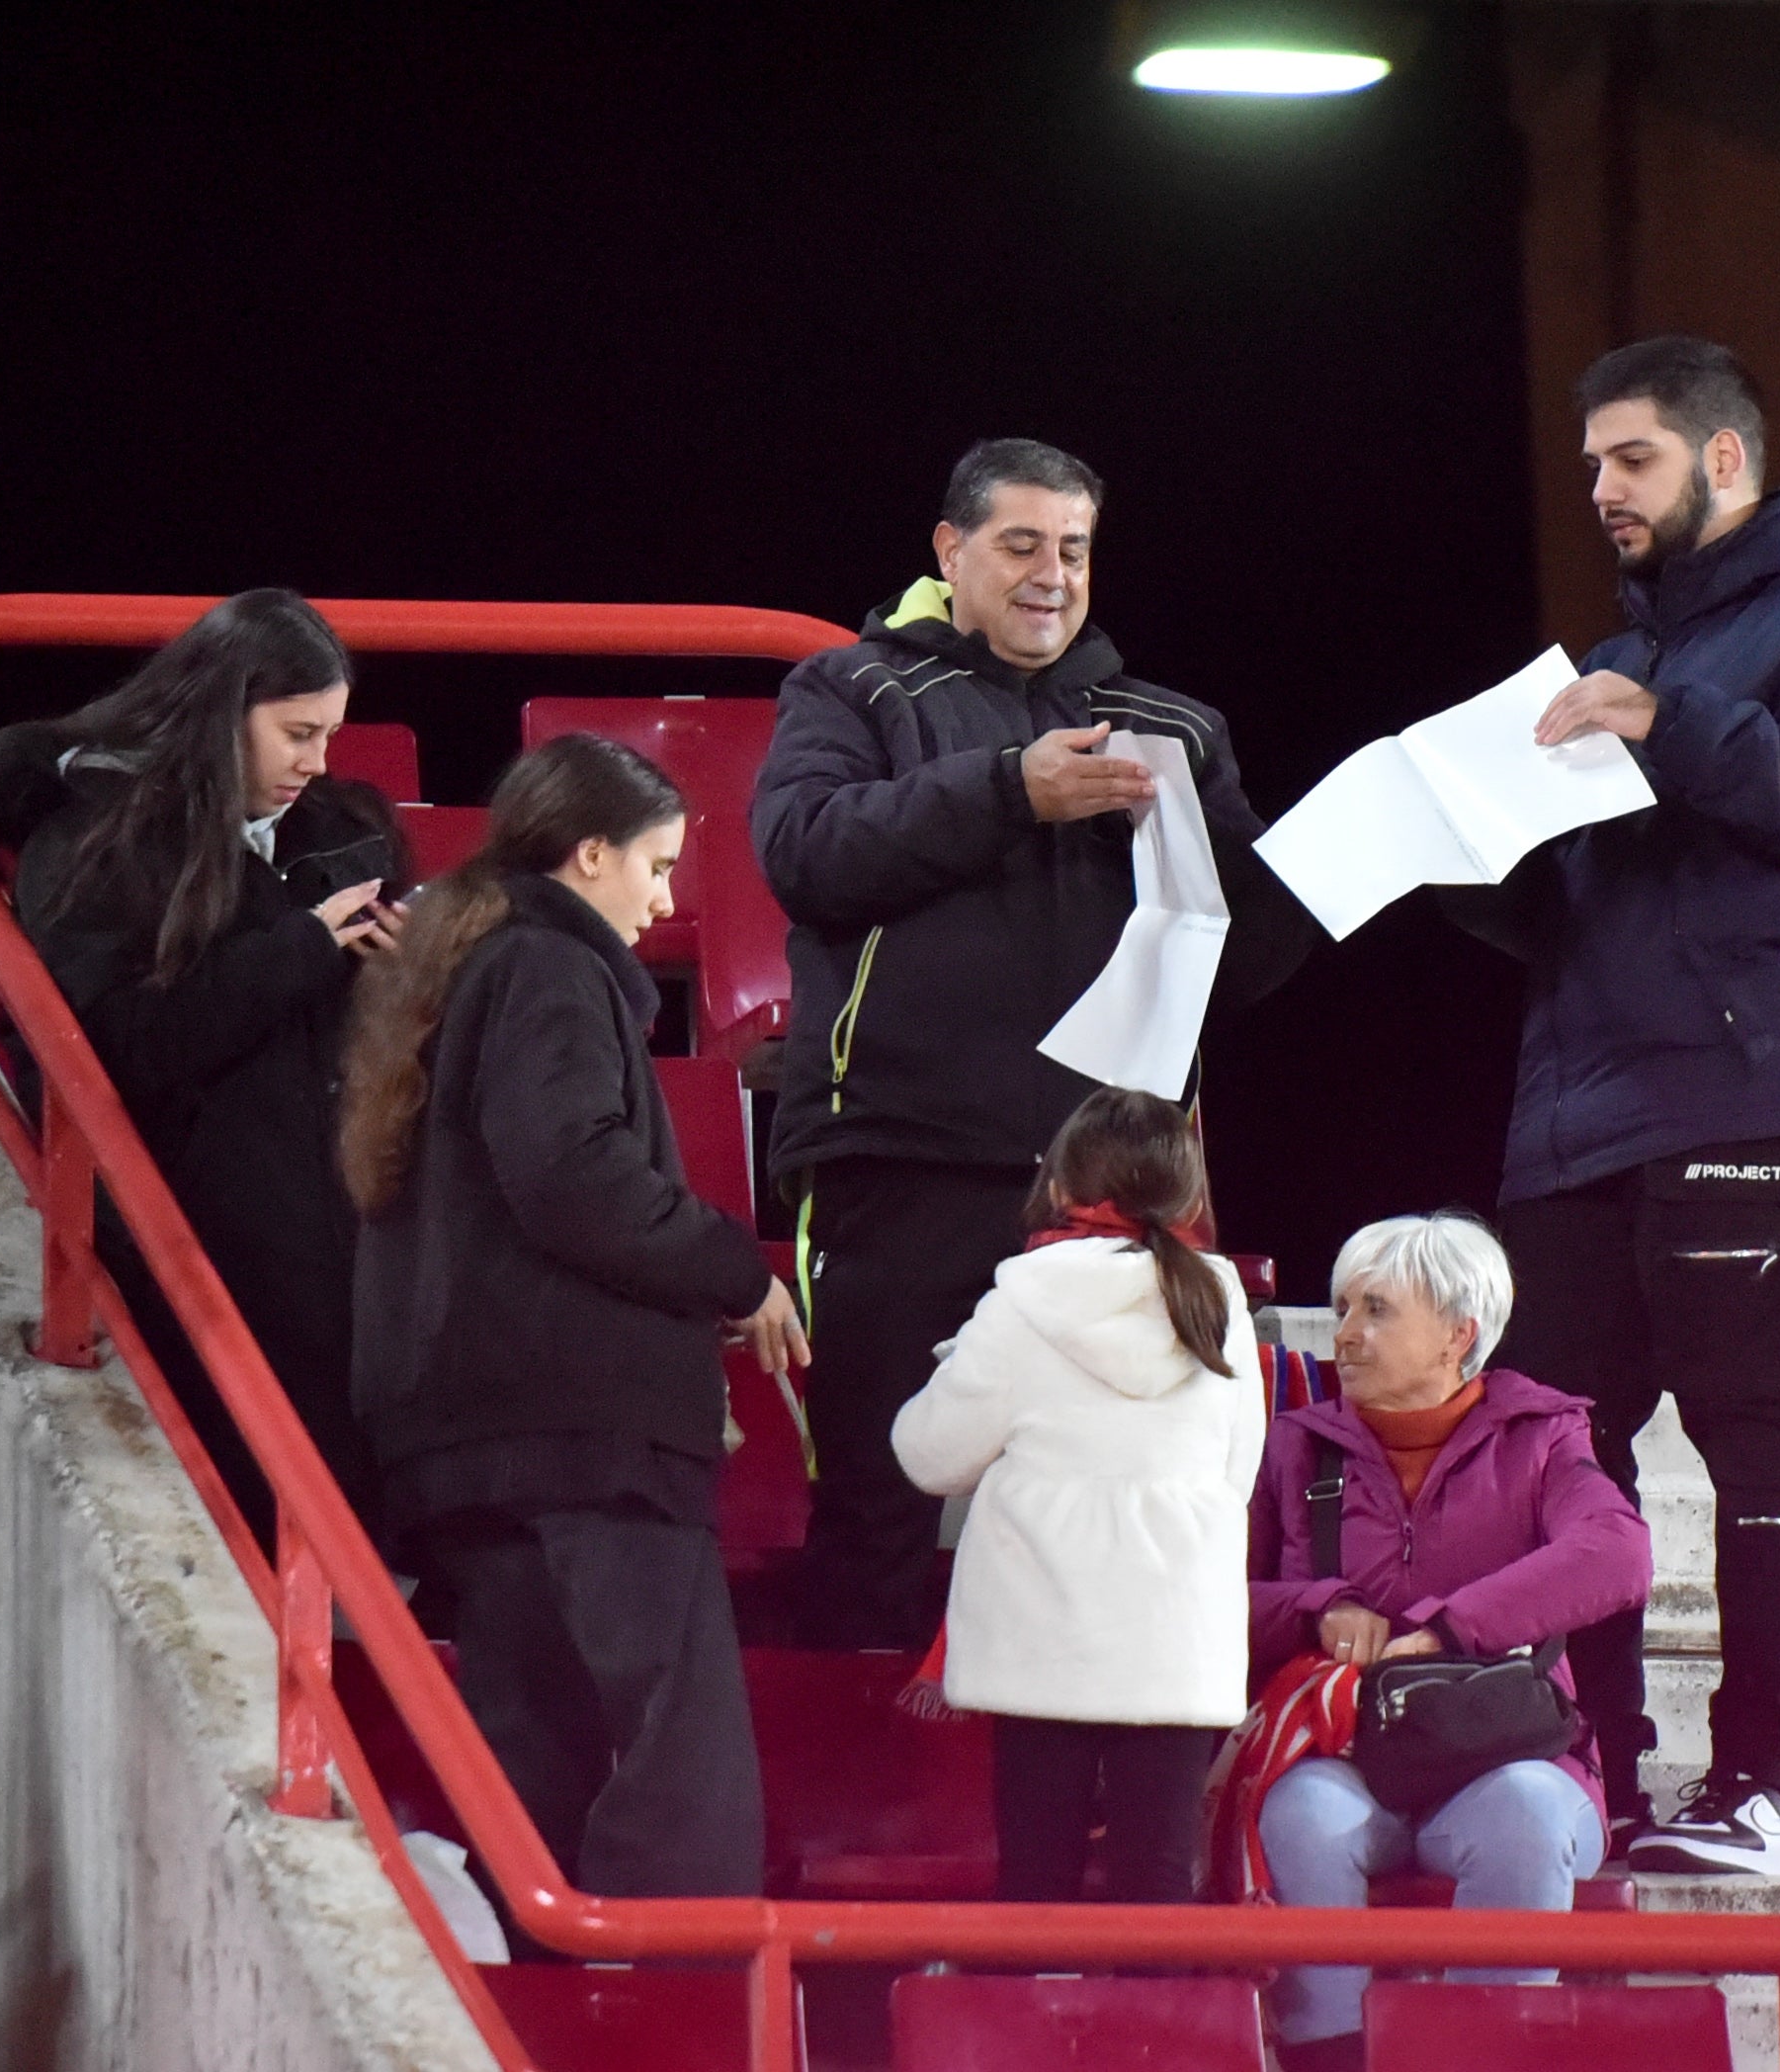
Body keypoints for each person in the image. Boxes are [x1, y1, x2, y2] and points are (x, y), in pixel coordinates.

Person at [1455, 335, 1780, 1877]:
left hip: (1756, 1083)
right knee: (1549, 1453)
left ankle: (1761, 1793)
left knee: (1759, 1434)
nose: (1599, 488)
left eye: (1631, 458)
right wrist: (1465, 863)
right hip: (1585, 1109)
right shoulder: (1633, 656)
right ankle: (1593, 1766)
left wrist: (1667, 728)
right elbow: (1607, 894)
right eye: (1591, 463)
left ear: (1722, 462)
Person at [753, 436, 1314, 1651]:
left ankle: (1092, 1797)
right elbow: (803, 852)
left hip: (1116, 1187)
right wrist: (1011, 789)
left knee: (1123, 1508)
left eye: (1074, 548)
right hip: (901, 1158)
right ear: (949, 551)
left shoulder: (1172, 725)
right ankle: (868, 1791)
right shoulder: (850, 690)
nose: (1051, 573)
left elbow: (1234, 960)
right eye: (1020, 545)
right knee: (880, 1493)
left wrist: (1327, 879)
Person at [339, 734, 807, 1897]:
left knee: (530, 1749)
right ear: (587, 852)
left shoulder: (462, 965)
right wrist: (733, 1272)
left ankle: (548, 2001)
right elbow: (570, 1171)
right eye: (651, 866)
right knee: (676, 1749)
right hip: (585, 1434)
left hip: (472, 1435)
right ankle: (675, 2010)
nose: (662, 898)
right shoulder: (551, 966)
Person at [0, 588, 404, 1544]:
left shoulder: (334, 832)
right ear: (218, 711)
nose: (316, 763)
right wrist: (304, 949)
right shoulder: (93, 841)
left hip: (332, 1228)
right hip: (202, 1244)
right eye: (296, 732)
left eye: (327, 734)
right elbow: (118, 1047)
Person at [1247, 1214, 1650, 2071]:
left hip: (1507, 1760)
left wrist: (1450, 1630)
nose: (1345, 1333)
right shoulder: (1294, 1446)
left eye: (1377, 1311)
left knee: (1529, 1816)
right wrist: (1315, 1608)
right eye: (1342, 1306)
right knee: (1304, 1815)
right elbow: (1212, 1598)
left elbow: (1618, 1553)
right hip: (1348, 1755)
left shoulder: (1544, 1436)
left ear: (1459, 1335)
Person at [888, 1086, 1263, 1905]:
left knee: (1038, 1877)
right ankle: (1154, 2036)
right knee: (1160, 1883)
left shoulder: (1021, 1300)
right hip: (1178, 1639)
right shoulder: (1220, 1300)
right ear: (1185, 1194)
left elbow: (927, 1455)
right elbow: (1237, 1472)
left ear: (1061, 1185)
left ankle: (1032, 2032)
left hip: (1041, 1636)